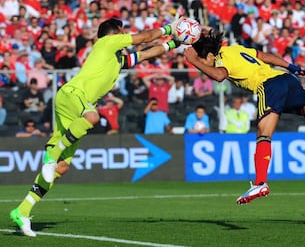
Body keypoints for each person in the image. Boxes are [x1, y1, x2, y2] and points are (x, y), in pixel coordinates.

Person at [9, 17, 182, 237]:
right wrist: (169, 28)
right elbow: (146, 37)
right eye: (122, 31)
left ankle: (22, 211)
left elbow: (148, 52)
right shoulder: (105, 44)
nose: (124, 33)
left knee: (61, 169)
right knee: (93, 117)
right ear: (114, 34)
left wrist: (175, 42)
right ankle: (51, 155)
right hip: (73, 96)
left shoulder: (117, 60)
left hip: (74, 106)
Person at [183, 29, 305, 205]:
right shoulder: (235, 48)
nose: (203, 65)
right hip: (285, 78)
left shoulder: (220, 60)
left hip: (268, 85)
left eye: (202, 60)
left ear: (209, 56)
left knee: (264, 133)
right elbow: (264, 56)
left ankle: (260, 183)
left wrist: (193, 61)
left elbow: (219, 76)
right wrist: (291, 67)